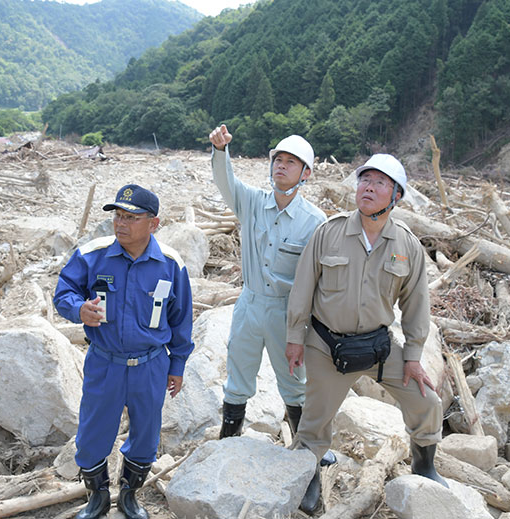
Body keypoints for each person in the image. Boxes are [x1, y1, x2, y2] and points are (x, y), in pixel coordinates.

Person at [285, 153, 447, 514]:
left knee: (427, 402)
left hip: (377, 347)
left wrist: (414, 357)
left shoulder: (407, 246)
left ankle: (425, 465)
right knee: (313, 424)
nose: (368, 188)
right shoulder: (329, 232)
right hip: (326, 346)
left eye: (379, 183)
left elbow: (417, 305)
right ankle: (309, 477)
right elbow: (302, 289)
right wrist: (295, 338)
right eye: (364, 180)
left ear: (396, 197)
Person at [54, 184, 194, 519]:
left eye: (131, 217)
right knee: (91, 436)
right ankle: (98, 498)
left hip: (150, 365)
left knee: (146, 436)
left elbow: (181, 318)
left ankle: (130, 497)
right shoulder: (93, 254)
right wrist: (78, 310)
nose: (121, 224)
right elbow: (64, 292)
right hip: (105, 363)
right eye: (118, 215)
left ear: (153, 224)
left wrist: (178, 365)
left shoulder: (171, 265)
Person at [208, 124, 329, 444]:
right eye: (278, 159)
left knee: (294, 381)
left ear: (306, 174)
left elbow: (321, 280)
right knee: (238, 376)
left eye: (290, 162)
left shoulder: (315, 222)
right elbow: (225, 182)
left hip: (286, 311)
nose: (281, 166)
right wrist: (221, 151)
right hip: (249, 303)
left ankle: (305, 449)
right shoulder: (251, 202)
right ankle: (228, 438)